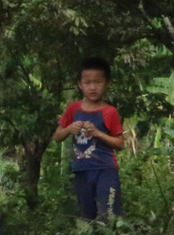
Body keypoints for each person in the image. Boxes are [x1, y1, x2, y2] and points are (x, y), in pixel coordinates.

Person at [52, 58, 125, 221]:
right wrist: (69, 129)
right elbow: (57, 137)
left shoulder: (110, 112)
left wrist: (98, 133)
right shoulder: (73, 109)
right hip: (81, 170)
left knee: (110, 215)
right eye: (88, 82)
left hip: (105, 170)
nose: (93, 87)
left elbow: (120, 143)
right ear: (80, 84)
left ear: (106, 83)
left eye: (98, 82)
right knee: (87, 217)